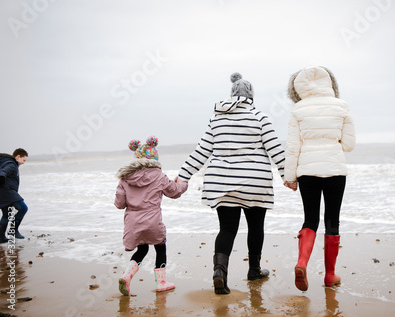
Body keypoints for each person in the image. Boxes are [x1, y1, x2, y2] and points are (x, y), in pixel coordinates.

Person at [177, 73, 285, 295]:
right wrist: (288, 175)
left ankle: (220, 273)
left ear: (232, 95)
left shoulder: (216, 119)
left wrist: (183, 175)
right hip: (255, 182)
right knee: (256, 227)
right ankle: (254, 270)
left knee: (227, 228)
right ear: (251, 96)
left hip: (221, 182)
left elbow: (202, 151)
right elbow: (275, 149)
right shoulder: (260, 117)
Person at [283, 66, 355, 291]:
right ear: (330, 82)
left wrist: (290, 177)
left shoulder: (298, 109)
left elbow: (293, 147)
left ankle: (302, 262)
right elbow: (349, 145)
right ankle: (330, 275)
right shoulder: (341, 106)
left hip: (307, 172)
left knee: (310, 219)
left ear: (299, 86)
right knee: (332, 220)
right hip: (335, 170)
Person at [114, 136, 188, 296]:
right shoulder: (159, 176)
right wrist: (183, 183)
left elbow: (119, 204)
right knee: (160, 247)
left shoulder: (125, 179)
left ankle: (126, 276)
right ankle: (161, 283)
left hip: (133, 222)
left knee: (142, 249)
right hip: (153, 221)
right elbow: (174, 192)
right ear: (155, 157)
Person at [0, 148, 29, 243]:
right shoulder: (12, 164)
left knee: (6, 215)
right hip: (7, 192)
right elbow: (4, 171)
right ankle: (14, 230)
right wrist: (2, 176)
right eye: (23, 160)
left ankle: (1, 237)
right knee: (23, 208)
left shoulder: (10, 163)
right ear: (18, 156)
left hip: (4, 192)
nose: (24, 163)